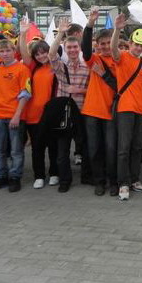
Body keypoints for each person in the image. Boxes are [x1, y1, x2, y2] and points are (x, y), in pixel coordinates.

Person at [111, 14, 142, 201]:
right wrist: (117, 29)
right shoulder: (123, 57)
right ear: (130, 44)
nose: (139, 48)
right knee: (124, 148)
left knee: (137, 147)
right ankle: (123, 183)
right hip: (125, 108)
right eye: (136, 44)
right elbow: (113, 49)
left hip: (140, 109)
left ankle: (134, 180)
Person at [80, 8, 120, 196]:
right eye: (101, 44)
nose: (104, 47)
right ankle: (99, 182)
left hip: (110, 112)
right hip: (92, 112)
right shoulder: (94, 59)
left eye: (107, 43)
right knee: (94, 149)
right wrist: (90, 24)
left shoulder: (119, 61)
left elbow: (120, 87)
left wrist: (104, 75)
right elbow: (85, 49)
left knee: (111, 150)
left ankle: (113, 182)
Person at [48, 18, 90, 193]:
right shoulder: (60, 67)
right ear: (65, 49)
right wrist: (60, 34)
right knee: (62, 151)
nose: (72, 50)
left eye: (75, 47)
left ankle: (87, 176)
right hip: (64, 114)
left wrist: (78, 90)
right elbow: (51, 54)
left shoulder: (87, 67)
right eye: (69, 48)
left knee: (86, 147)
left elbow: (93, 90)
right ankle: (65, 180)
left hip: (82, 112)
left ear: (79, 49)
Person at [0, 39, 31, 193]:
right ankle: (0, 177)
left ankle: (15, 177)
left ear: (14, 51)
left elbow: (26, 94)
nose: (5, 54)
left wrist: (17, 115)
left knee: (16, 151)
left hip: (15, 116)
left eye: (8, 50)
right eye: (2, 51)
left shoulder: (22, 69)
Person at [19, 19, 59, 190]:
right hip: (33, 115)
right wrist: (22, 34)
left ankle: (54, 173)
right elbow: (23, 53)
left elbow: (54, 51)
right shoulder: (33, 67)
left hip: (51, 114)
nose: (41, 56)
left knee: (53, 146)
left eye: (44, 53)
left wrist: (61, 34)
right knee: (37, 148)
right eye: (38, 54)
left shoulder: (55, 66)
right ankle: (39, 176)